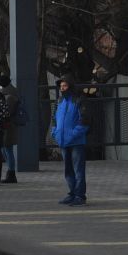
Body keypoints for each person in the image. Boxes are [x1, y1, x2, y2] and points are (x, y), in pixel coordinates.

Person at [52, 78, 88, 206]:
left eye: (65, 85)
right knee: (68, 170)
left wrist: (72, 134)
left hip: (76, 142)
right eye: (61, 86)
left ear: (71, 86)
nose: (62, 88)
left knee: (78, 170)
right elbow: (54, 119)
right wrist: (54, 132)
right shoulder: (59, 101)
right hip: (63, 141)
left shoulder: (79, 100)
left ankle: (80, 196)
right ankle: (72, 193)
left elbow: (85, 121)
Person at [0, 80, 22, 182]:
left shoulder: (9, 97)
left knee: (7, 149)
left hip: (8, 127)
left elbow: (6, 112)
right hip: (9, 126)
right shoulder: (11, 94)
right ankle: (10, 172)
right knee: (6, 149)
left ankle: (11, 173)